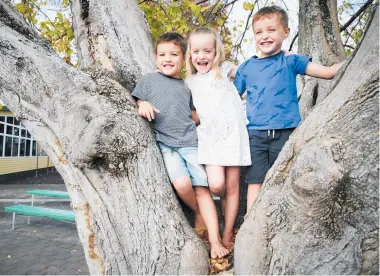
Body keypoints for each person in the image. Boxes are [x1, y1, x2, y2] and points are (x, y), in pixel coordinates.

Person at [233, 6, 343, 212]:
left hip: (286, 133)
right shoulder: (246, 68)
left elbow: (327, 73)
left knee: (283, 179)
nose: (265, 36)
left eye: (271, 30)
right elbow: (229, 99)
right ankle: (252, 220)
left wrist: (351, 62)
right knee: (255, 181)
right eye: (259, 32)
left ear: (286, 33)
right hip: (255, 134)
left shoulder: (291, 60)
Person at [132, 32, 229, 259]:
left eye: (174, 54)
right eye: (163, 55)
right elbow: (137, 99)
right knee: (182, 183)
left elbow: (196, 114)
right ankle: (197, 211)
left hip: (190, 143)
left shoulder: (187, 86)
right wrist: (142, 103)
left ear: (183, 57)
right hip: (166, 145)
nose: (168, 59)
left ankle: (215, 240)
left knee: (202, 189)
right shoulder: (148, 80)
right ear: (156, 58)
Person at [185, 27, 251, 250]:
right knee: (217, 185)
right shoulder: (188, 81)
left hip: (233, 136)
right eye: (196, 51)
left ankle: (227, 233)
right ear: (190, 54)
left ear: (216, 52)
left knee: (232, 187)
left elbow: (250, 71)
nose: (202, 56)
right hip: (209, 139)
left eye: (207, 51)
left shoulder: (224, 70)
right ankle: (221, 212)